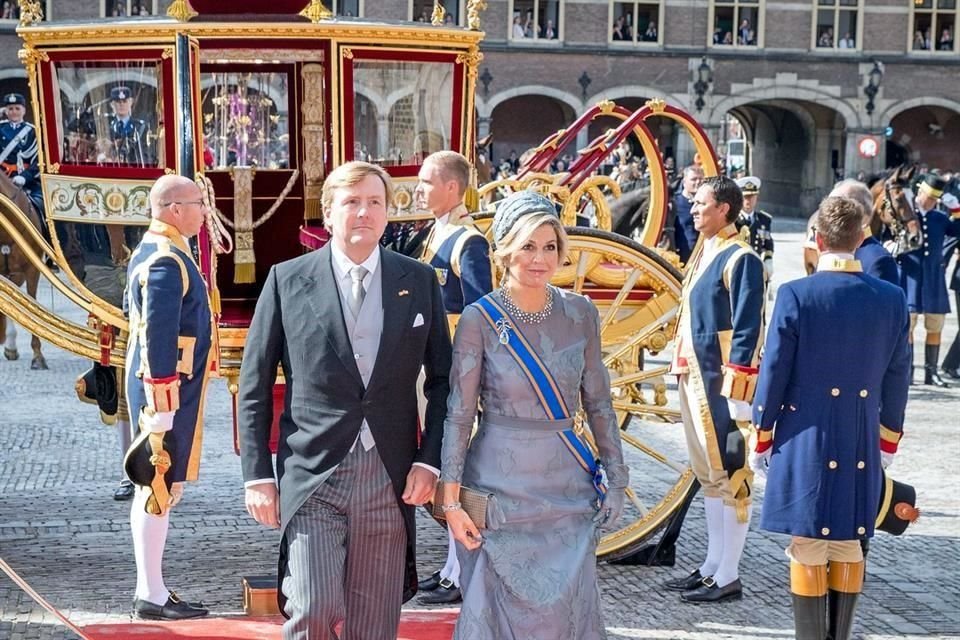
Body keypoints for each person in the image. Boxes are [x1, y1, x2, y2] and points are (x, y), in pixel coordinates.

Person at [238, 161, 452, 640]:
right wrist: (257, 474)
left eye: (375, 202)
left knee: (374, 626)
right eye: (351, 202)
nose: (364, 212)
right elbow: (253, 384)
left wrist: (430, 461)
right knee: (312, 607)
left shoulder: (418, 281)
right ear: (328, 214)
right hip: (313, 473)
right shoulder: (287, 280)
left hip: (390, 475)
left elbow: (444, 381)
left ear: (387, 212)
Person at [439, 190, 627, 638]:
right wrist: (450, 502)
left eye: (549, 247)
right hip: (498, 493)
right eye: (527, 246)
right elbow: (459, 415)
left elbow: (599, 402)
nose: (540, 258)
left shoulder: (580, 312)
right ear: (505, 250)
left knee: (566, 615)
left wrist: (617, 478)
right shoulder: (479, 319)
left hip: (567, 488)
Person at [749, 196, 910, 640]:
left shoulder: (795, 293)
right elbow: (899, 377)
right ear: (861, 239)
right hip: (860, 434)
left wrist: (761, 435)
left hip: (804, 434)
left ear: (816, 239)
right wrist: (888, 440)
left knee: (807, 544)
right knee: (848, 540)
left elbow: (775, 370)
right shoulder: (892, 298)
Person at [664, 176, 765, 604]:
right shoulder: (707, 251)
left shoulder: (741, 258)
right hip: (694, 375)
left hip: (721, 380)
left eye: (701, 203)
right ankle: (711, 566)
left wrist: (740, 390)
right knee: (709, 475)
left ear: (724, 208)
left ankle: (728, 573)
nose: (692, 209)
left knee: (731, 474)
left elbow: (748, 327)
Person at [124, 175, 214, 620]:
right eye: (198, 203)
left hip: (165, 387)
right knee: (155, 484)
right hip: (165, 390)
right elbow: (158, 334)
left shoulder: (162, 250)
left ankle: (152, 588)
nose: (203, 211)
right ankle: (151, 593)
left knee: (154, 486)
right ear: (174, 209)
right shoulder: (165, 257)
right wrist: (162, 401)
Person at [413, 151, 492, 606]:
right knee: (444, 466)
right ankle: (449, 568)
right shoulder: (436, 233)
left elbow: (481, 312)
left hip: (456, 370)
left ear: (452, 188)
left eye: (427, 182)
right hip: (433, 367)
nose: (419, 189)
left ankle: (460, 573)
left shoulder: (468, 242)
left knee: (455, 466)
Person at [898, 173, 960, 387]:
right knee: (909, 324)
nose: (932, 203)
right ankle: (908, 371)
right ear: (920, 192)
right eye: (930, 198)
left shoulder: (939, 218)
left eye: (936, 200)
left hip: (934, 276)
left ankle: (931, 372)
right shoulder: (906, 214)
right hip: (910, 275)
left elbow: (957, 231)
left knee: (935, 324)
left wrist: (956, 210)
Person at [828, 179, 899, 286]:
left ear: (863, 215)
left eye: (837, 208)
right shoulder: (826, 248)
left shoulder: (879, 260)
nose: (825, 214)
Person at [0, 93, 44, 219]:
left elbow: (39, 161)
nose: (14, 112)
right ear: (6, 111)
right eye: (10, 109)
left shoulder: (32, 132)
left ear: (24, 110)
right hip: (3, 180)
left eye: (17, 108)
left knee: (42, 206)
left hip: (25, 181)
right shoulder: (0, 128)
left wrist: (24, 177)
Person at [734, 176, 775, 286]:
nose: (748, 201)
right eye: (745, 197)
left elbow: (768, 243)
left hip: (757, 267)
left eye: (752, 196)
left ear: (756, 197)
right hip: (738, 267)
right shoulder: (733, 221)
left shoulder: (764, 220)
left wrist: (768, 260)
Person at [105, 86, 150, 166]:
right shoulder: (107, 128)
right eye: (118, 102)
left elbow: (145, 156)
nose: (121, 105)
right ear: (112, 104)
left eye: (125, 101)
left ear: (131, 102)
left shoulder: (140, 127)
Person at [673, 164, 704, 265]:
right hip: (681, 259)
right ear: (684, 181)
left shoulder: (707, 203)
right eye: (694, 179)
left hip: (702, 258)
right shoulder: (675, 203)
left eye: (700, 179)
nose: (698, 182)